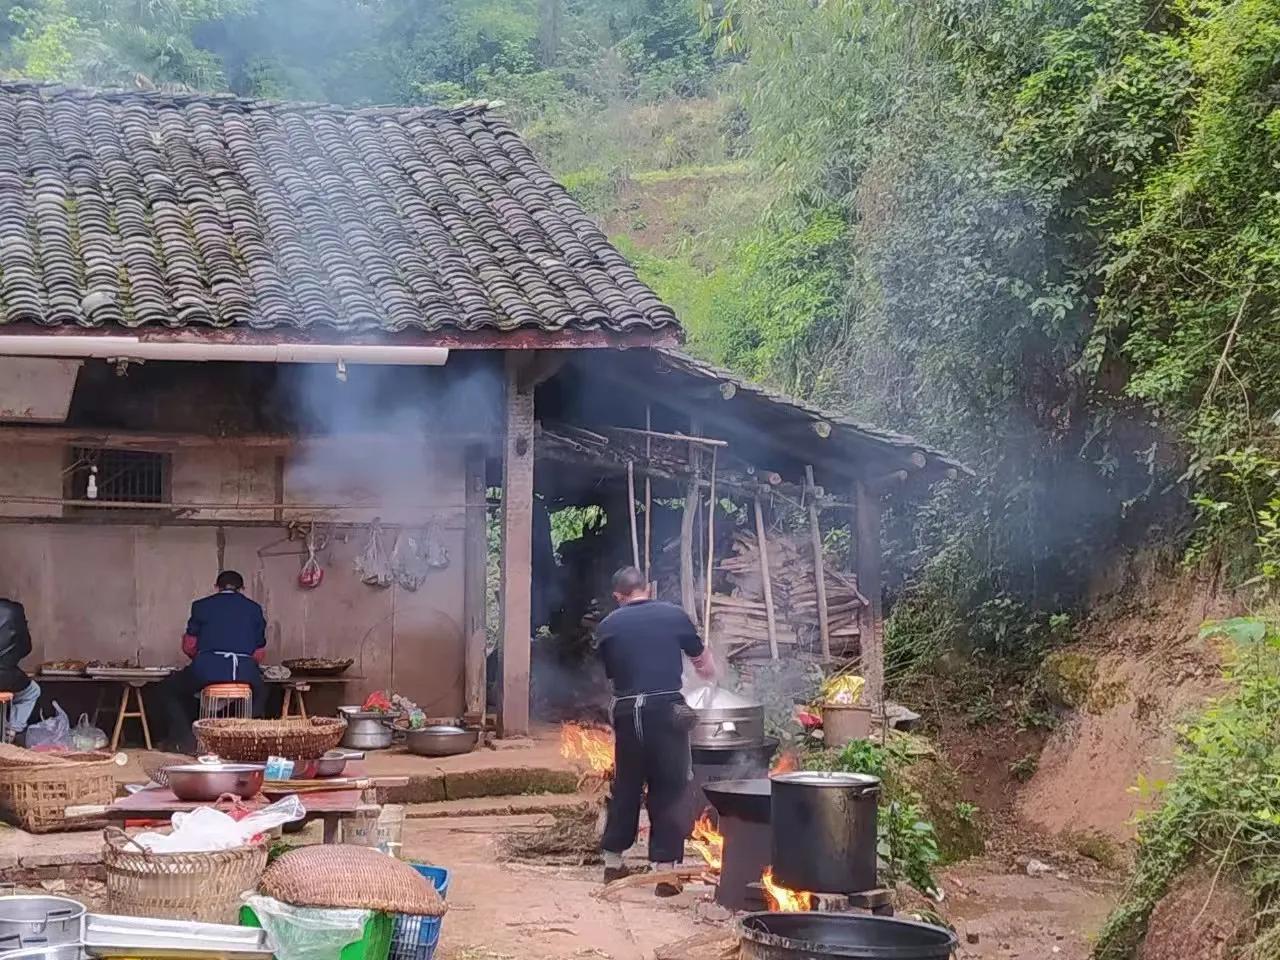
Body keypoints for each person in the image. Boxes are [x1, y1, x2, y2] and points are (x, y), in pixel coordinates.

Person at [595, 565, 715, 896]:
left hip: (627, 710)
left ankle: (612, 863)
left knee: (627, 786)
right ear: (647, 588)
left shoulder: (608, 626)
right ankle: (664, 873)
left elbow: (611, 673)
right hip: (667, 711)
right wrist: (709, 677)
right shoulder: (674, 614)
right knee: (669, 787)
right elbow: (703, 663)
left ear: (619, 596)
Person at [157, 570, 267, 752]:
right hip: (245, 672)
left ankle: (185, 742)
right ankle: (244, 740)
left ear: (216, 587)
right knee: (261, 692)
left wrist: (203, 659)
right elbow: (259, 651)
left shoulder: (201, 606)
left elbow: (189, 644)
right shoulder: (254, 609)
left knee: (169, 689)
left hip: (207, 670)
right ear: (242, 589)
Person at [0, 599, 40, 741]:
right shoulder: (15, 612)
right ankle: (11, 730)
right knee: (32, 691)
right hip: (4, 676)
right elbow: (25, 648)